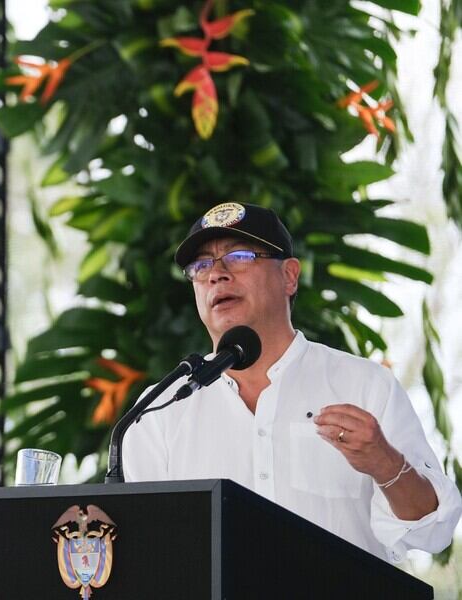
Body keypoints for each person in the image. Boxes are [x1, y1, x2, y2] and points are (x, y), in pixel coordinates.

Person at [122, 202, 462, 563]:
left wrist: (384, 463)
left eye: (238, 256)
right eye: (201, 265)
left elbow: (432, 531)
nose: (215, 275)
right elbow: (150, 553)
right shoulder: (160, 409)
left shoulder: (364, 385)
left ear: (289, 276)